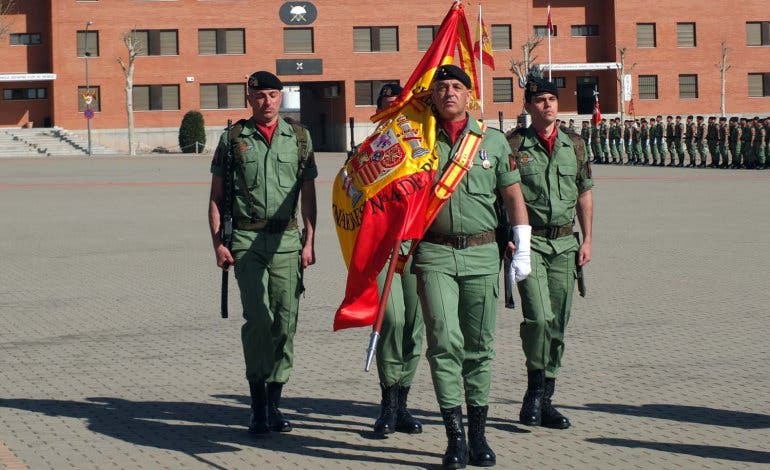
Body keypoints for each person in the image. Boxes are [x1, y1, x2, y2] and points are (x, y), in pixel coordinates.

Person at [412, 64, 530, 468]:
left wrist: (524, 246)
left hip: (482, 253)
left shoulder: (493, 142)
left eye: (456, 87)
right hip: (434, 253)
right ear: (432, 96)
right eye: (441, 87)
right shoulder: (416, 141)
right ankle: (455, 438)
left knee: (479, 348)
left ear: (469, 95)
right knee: (444, 342)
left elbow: (513, 196)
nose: (449, 93)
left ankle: (478, 435)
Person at [207, 70, 318, 436]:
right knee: (257, 320)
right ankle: (257, 406)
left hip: (287, 241)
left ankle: (274, 402)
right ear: (249, 98)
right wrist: (218, 243)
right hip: (246, 243)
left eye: (273, 94)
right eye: (260, 96)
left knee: (285, 322)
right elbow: (216, 197)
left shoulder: (300, 138)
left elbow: (308, 195)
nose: (266, 101)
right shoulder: (233, 139)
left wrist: (310, 241)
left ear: (281, 97)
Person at [509, 76, 594, 431]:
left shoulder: (575, 144)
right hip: (531, 244)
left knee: (558, 322)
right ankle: (533, 388)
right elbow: (505, 195)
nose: (547, 105)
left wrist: (587, 239)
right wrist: (508, 237)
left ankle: (547, 397)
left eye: (551, 99)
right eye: (539, 100)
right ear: (528, 106)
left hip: (565, 244)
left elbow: (584, 192)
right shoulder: (513, 144)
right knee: (539, 318)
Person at [369, 83, 425, 437]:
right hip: (383, 250)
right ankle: (387, 403)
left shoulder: (422, 148)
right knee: (392, 321)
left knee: (414, 328)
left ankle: (402, 402)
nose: (394, 111)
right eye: (387, 106)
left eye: (399, 106)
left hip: (418, 248)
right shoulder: (369, 150)